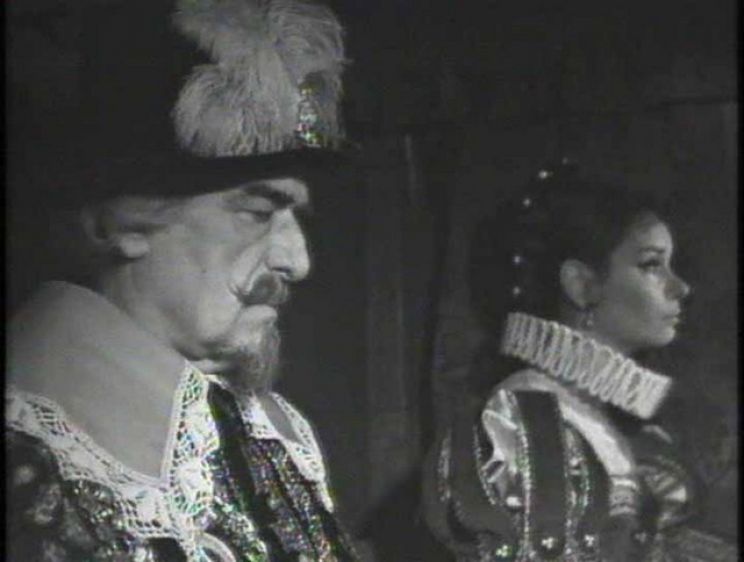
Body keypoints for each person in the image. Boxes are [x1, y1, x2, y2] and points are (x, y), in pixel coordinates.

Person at [6, 0, 361, 560]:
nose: (297, 261)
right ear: (126, 221)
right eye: (257, 212)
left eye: (297, 218)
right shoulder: (31, 447)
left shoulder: (273, 433)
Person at [421, 163, 737, 561]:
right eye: (651, 265)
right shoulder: (522, 419)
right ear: (582, 284)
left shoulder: (622, 421)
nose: (681, 287)